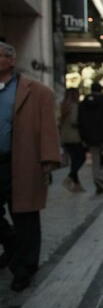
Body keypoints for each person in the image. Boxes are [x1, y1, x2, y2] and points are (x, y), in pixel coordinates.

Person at [0, 42, 61, 291]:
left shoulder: (37, 92)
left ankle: (24, 267)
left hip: (22, 161)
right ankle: (11, 242)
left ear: (11, 60)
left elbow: (48, 128)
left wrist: (48, 159)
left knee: (25, 215)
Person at [78, 82, 103, 194]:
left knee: (95, 160)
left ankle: (97, 181)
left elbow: (81, 120)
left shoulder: (84, 103)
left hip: (90, 136)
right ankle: (101, 177)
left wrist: (83, 136)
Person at [59, 87, 86, 192]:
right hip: (74, 136)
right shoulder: (74, 106)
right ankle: (69, 177)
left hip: (65, 136)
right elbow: (74, 121)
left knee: (74, 159)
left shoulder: (64, 106)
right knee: (81, 158)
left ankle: (77, 184)